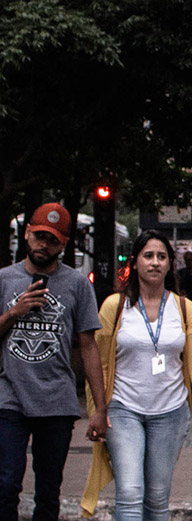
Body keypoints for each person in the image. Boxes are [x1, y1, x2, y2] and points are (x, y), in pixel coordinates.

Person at [81, 230, 192, 520]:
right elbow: (100, 364)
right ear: (136, 262)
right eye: (148, 256)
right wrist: (97, 409)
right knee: (129, 493)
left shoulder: (185, 308)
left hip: (170, 413)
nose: (154, 263)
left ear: (169, 264)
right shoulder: (114, 307)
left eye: (161, 257)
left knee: (156, 499)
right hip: (123, 410)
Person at [0, 202, 108, 521]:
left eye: (53, 240)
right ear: (28, 235)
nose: (44, 245)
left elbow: (89, 347)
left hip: (57, 401)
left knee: (49, 494)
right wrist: (13, 313)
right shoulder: (5, 279)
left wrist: (99, 410)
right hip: (9, 397)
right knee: (5, 485)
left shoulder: (77, 284)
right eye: (39, 237)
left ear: (63, 244)